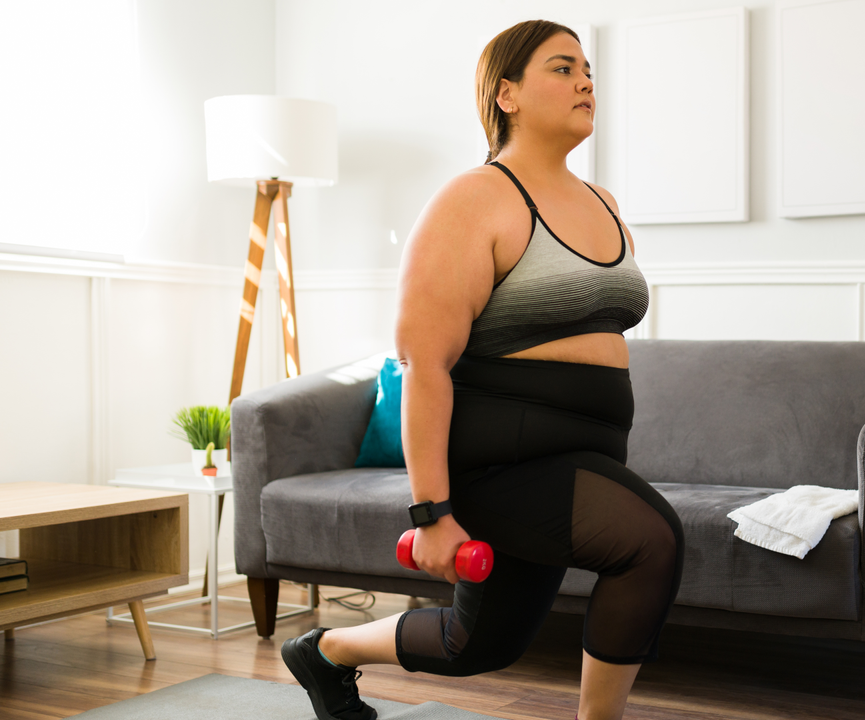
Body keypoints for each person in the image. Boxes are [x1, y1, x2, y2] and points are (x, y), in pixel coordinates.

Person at [280, 19, 685, 720]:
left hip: (581, 457)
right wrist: (432, 512)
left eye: (589, 69)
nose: (586, 81)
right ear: (508, 94)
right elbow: (425, 364)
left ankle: (326, 652)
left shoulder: (604, 204)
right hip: (502, 461)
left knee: (479, 643)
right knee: (651, 541)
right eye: (563, 68)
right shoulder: (474, 199)